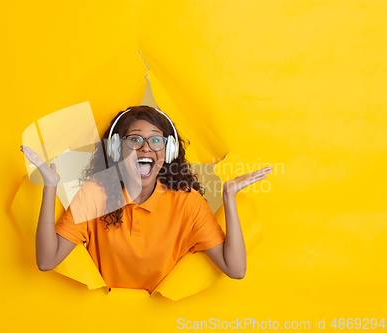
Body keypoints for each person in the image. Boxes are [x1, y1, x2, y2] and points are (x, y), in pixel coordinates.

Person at [19, 105, 272, 294]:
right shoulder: (95, 194)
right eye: (135, 139)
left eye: (156, 140)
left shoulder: (187, 203)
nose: (146, 147)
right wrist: (50, 186)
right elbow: (46, 259)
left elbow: (236, 269)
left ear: (168, 151)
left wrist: (229, 198)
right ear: (117, 149)